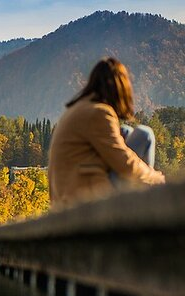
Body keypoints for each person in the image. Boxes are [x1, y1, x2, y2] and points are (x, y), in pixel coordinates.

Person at [48, 57, 165, 208]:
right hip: (87, 200)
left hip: (64, 200)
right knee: (144, 134)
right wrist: (155, 178)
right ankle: (147, 205)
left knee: (124, 131)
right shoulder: (98, 113)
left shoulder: (77, 109)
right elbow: (125, 164)